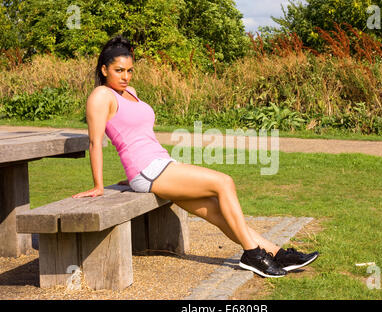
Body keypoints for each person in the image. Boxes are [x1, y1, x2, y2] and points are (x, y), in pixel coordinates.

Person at [73, 35, 319, 278]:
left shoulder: (131, 92)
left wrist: (134, 174)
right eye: (119, 70)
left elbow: (138, 134)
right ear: (104, 69)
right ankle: (252, 254)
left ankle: (275, 253)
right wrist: (99, 185)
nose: (125, 76)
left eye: (129, 70)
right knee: (224, 182)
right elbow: (96, 142)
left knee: (216, 210)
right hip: (149, 170)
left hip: (159, 165)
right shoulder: (101, 96)